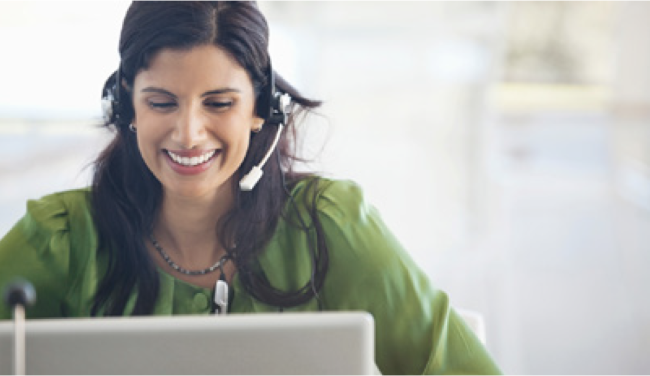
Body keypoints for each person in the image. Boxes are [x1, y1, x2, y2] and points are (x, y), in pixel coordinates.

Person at [0, 2, 501, 374]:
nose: (188, 133)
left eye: (218, 103)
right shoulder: (59, 238)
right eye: (161, 102)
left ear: (263, 109)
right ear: (126, 108)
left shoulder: (329, 225)